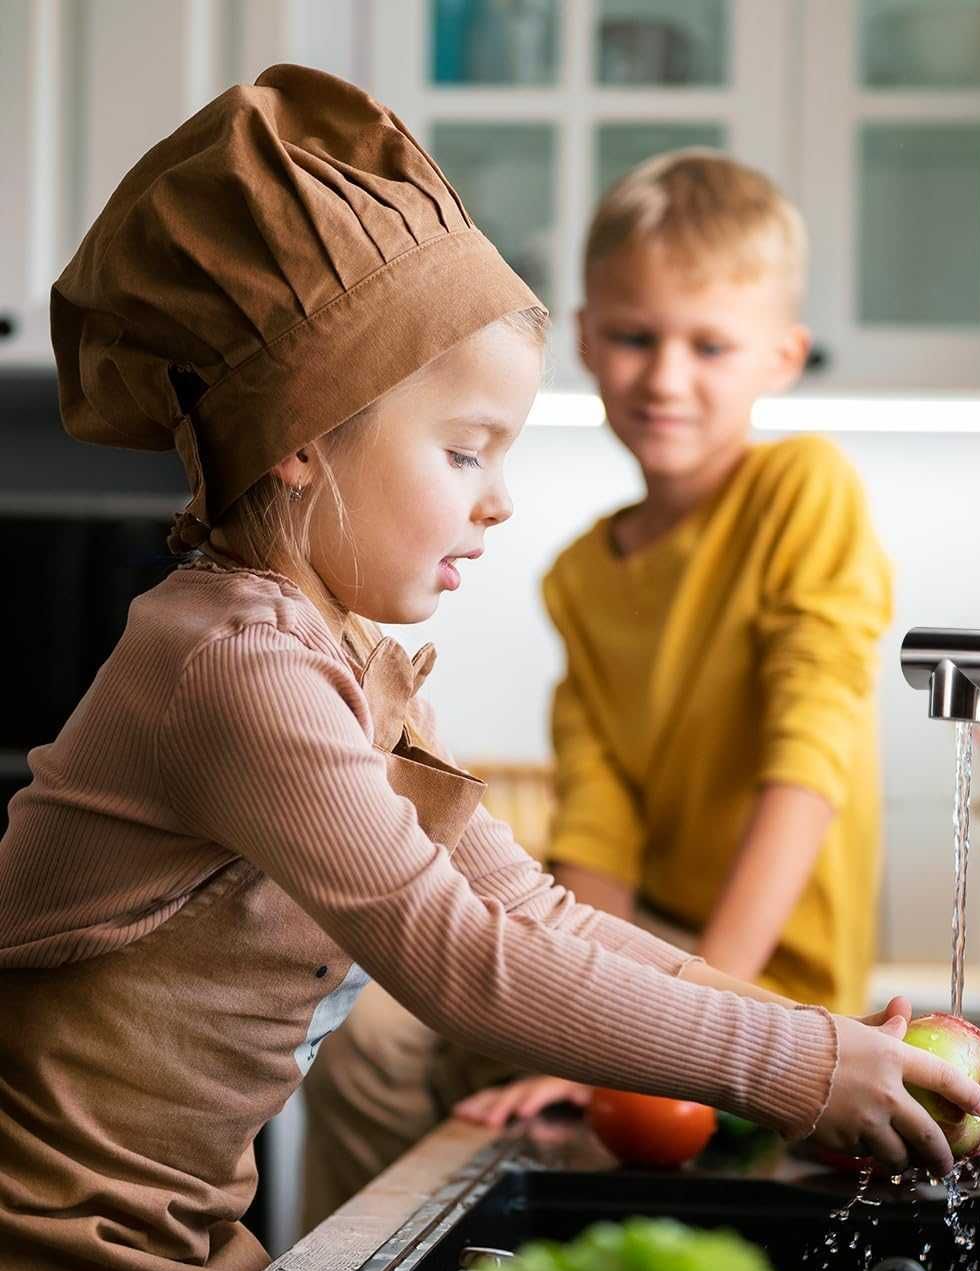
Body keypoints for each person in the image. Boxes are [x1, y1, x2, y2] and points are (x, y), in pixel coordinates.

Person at [0, 67, 980, 1271]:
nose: (499, 503)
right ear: (299, 442)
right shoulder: (235, 667)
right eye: (465, 452)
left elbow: (545, 919)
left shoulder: (327, 658)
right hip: (44, 1263)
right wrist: (805, 1066)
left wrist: (812, 1035)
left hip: (156, 1249)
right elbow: (462, 965)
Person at [300, 149, 894, 1204]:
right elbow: (599, 831)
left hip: (772, 991)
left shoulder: (805, 492)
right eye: (634, 337)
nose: (666, 377)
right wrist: (591, 1023)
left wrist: (702, 1033)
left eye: (710, 344)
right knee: (368, 1034)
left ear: (784, 355)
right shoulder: (582, 574)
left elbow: (809, 768)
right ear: (582, 339)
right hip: (633, 963)